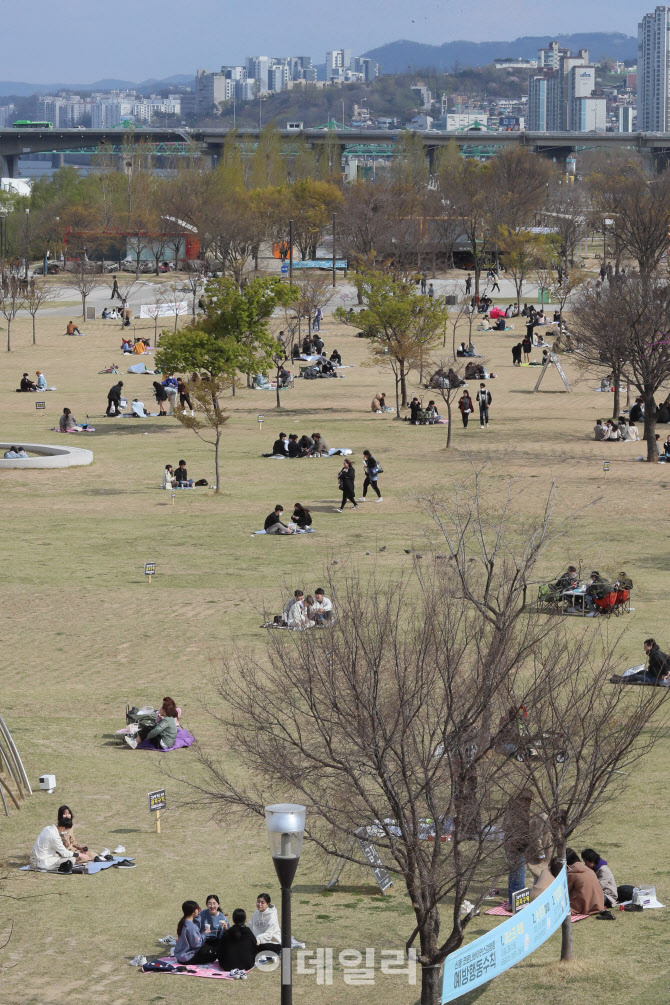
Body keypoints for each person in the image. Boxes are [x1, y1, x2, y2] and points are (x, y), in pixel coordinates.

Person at [175, 901, 218, 965]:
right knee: (213, 954)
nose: (198, 910)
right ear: (193, 911)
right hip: (187, 958)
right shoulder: (191, 927)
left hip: (180, 956)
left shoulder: (183, 922)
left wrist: (198, 915)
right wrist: (204, 933)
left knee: (207, 948)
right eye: (197, 909)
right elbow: (196, 944)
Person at [217, 908, 259, 973]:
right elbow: (255, 944)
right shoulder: (248, 931)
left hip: (227, 965)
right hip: (247, 964)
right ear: (245, 919)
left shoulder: (228, 932)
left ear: (233, 919)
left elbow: (220, 947)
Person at [566, 848, 605, 915]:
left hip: (586, 906)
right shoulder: (589, 870)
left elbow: (566, 891)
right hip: (599, 904)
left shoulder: (572, 873)